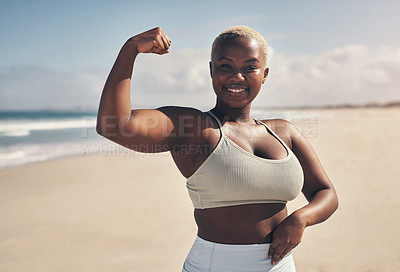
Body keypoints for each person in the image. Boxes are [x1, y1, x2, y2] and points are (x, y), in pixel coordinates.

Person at [96, 26, 338, 272]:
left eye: (249, 67)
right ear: (211, 70)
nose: (237, 76)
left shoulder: (284, 132)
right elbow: (114, 126)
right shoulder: (192, 128)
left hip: (281, 267)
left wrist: (301, 218)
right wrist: (130, 49)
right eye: (226, 66)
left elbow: (326, 192)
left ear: (264, 74)